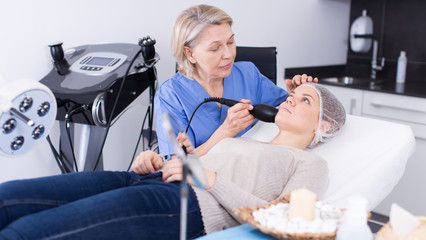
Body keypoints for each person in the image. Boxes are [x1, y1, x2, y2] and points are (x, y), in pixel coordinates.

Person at [0, 83, 346, 239]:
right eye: (292, 95)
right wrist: (156, 161)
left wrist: (209, 179)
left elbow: (288, 225)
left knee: (27, 233)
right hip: (141, 179)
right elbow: (195, 162)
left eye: (303, 101)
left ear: (323, 126)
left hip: (184, 203)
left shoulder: (312, 165)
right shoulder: (246, 138)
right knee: (8, 200)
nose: (289, 100)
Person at [153, 4, 318, 159]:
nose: (229, 54)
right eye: (215, 48)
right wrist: (225, 132)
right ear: (190, 54)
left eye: (231, 42)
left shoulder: (248, 74)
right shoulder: (171, 95)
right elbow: (177, 166)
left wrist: (296, 95)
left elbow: (287, 112)